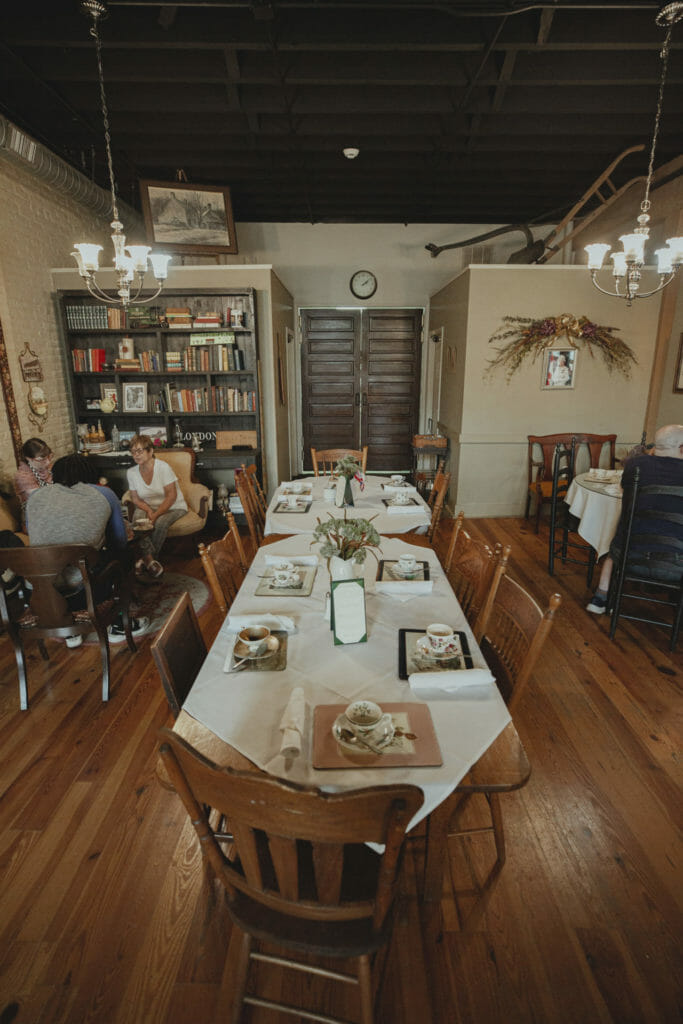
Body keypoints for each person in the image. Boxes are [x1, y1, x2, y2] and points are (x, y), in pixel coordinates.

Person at [26, 454, 148, 644]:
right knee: (122, 556)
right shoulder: (104, 493)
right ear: (91, 474)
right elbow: (119, 541)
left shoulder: (35, 497)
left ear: (55, 475)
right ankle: (119, 623)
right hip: (85, 594)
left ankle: (70, 630)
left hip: (39, 593)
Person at [586, 424, 683, 614]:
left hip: (630, 556)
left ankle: (600, 598)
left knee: (617, 540)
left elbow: (624, 491)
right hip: (677, 562)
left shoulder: (636, 465)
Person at [126, 435, 187, 579]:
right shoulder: (131, 472)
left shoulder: (163, 468)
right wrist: (148, 510)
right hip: (149, 507)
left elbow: (171, 496)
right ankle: (150, 562)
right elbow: (135, 498)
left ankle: (145, 560)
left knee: (160, 523)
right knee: (137, 521)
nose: (136, 455)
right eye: (133, 452)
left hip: (174, 506)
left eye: (140, 451)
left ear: (150, 451)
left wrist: (155, 515)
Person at [14, 437, 54, 526]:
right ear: (28, 459)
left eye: (49, 456)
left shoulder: (48, 468)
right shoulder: (23, 476)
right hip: (34, 519)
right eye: (42, 459)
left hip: (52, 510)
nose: (47, 462)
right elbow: (41, 500)